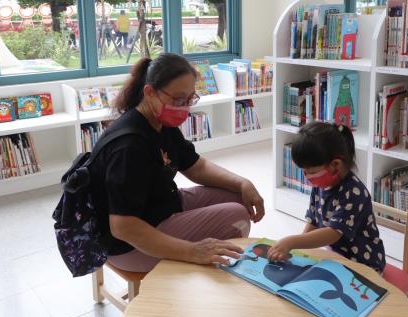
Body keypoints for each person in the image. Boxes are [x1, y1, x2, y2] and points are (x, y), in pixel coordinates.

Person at [89, 53, 265, 272]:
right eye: (179, 100)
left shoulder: (160, 123)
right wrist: (192, 251)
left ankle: (209, 264)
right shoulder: (129, 145)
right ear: (150, 92)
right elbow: (123, 227)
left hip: (162, 207)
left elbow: (196, 167)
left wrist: (242, 183)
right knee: (235, 215)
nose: (185, 107)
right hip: (128, 246)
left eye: (190, 99)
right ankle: (206, 278)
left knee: (240, 197)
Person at [267, 121, 386, 273]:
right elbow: (314, 222)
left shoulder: (354, 192)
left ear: (335, 165)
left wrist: (290, 242)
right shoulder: (321, 186)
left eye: (311, 171)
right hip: (336, 256)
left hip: (364, 264)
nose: (307, 177)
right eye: (303, 171)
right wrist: (297, 250)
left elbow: (332, 233)